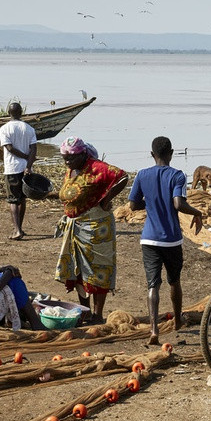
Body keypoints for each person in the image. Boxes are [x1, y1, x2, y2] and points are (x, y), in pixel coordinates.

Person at [128, 136, 203, 345]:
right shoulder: (177, 175)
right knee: (174, 280)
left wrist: (150, 203)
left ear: (152, 154)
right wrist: (197, 212)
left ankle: (154, 330)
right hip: (171, 239)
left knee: (153, 284)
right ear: (171, 153)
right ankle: (177, 320)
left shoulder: (142, 175)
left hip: (149, 239)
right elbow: (178, 204)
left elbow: (133, 205)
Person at [54, 137, 129, 323]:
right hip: (76, 227)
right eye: (65, 158)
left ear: (83, 154)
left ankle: (97, 314)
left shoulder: (96, 167)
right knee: (79, 270)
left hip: (96, 227)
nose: (67, 161)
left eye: (71, 158)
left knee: (97, 270)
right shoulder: (71, 170)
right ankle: (85, 311)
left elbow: (122, 176)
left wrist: (107, 199)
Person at [0, 102, 37, 240]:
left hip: (12, 168)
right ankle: (19, 228)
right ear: (21, 113)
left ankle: (17, 230)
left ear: (8, 113)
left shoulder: (4, 128)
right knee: (22, 199)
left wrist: (26, 158)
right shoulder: (29, 128)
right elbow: (34, 149)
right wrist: (28, 165)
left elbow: (9, 148)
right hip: (25, 168)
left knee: (13, 200)